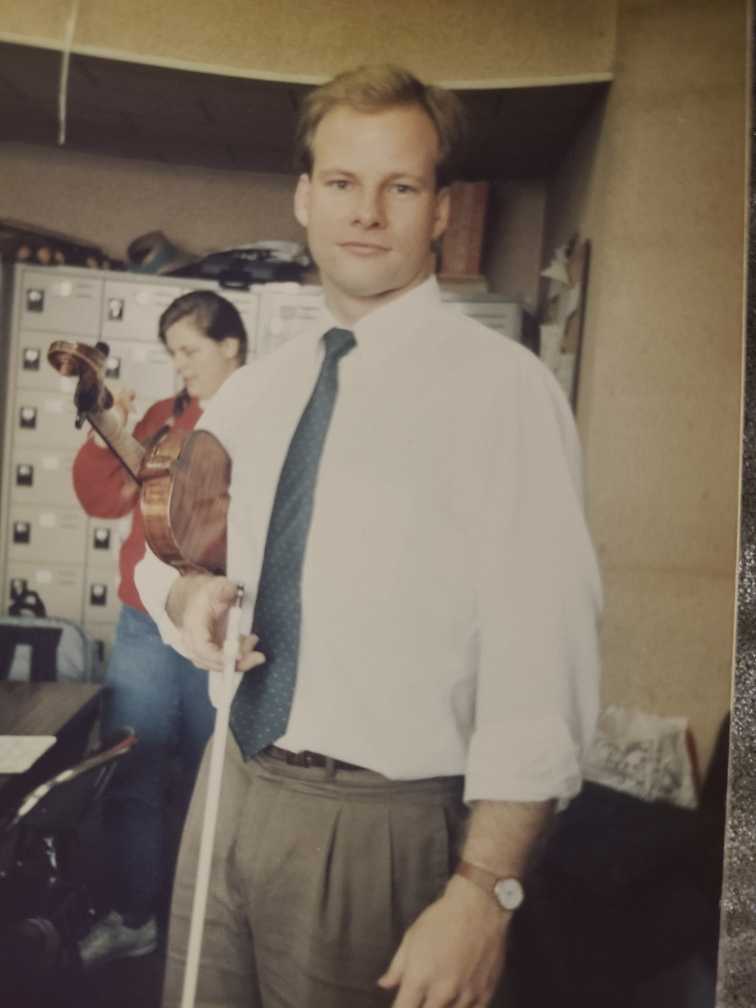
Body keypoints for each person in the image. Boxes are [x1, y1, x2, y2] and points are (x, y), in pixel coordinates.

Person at [137, 65, 602, 1008]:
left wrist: (484, 896)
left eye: (401, 186)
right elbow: (163, 550)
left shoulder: (501, 393)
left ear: (439, 209)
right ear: (305, 198)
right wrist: (187, 599)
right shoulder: (257, 391)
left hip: (380, 826)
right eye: (344, 183)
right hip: (230, 788)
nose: (368, 212)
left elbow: (541, 670)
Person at [72, 290, 248, 968]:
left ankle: (218, 925)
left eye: (189, 351)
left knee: (218, 781)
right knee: (134, 767)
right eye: (171, 352)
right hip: (146, 620)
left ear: (231, 344)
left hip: (224, 623)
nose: (179, 367)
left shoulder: (262, 417)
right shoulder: (159, 417)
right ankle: (134, 914)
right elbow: (100, 499)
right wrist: (102, 437)